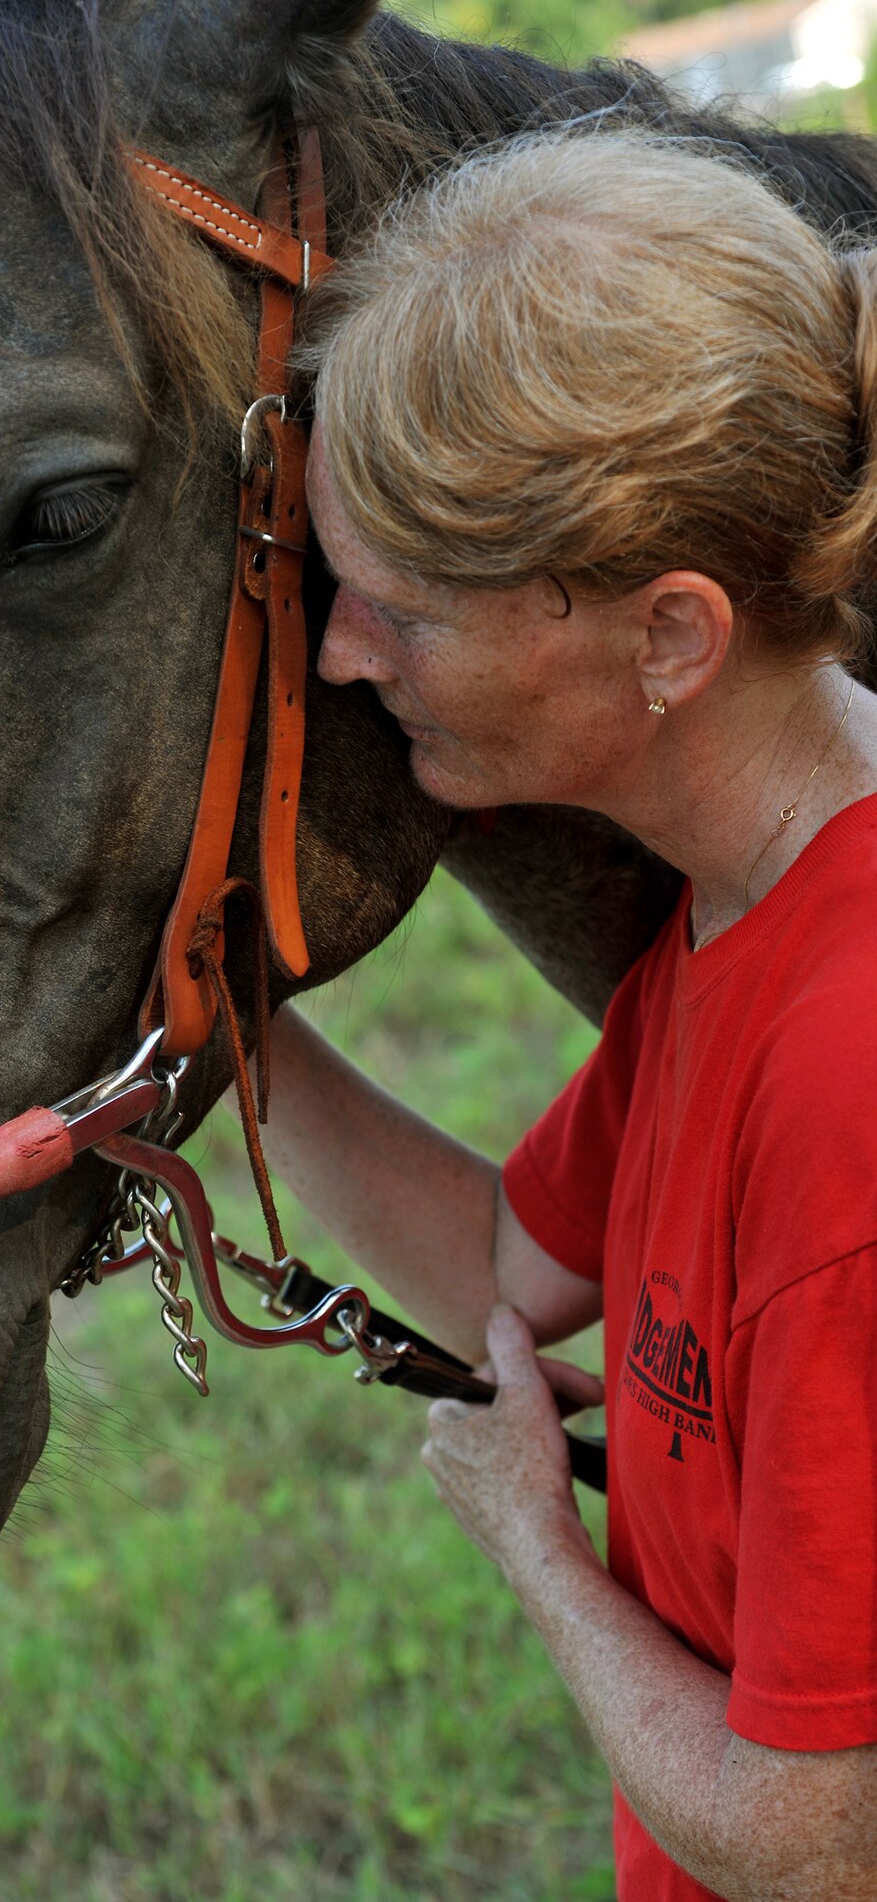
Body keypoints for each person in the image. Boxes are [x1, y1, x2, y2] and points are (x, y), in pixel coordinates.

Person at [268, 130, 877, 1900]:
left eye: (401, 609)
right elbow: (502, 1267)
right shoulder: (751, 905)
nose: (341, 660)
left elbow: (817, 1838)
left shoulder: (848, 1076)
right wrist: (229, 1034)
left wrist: (541, 1550)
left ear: (668, 636)